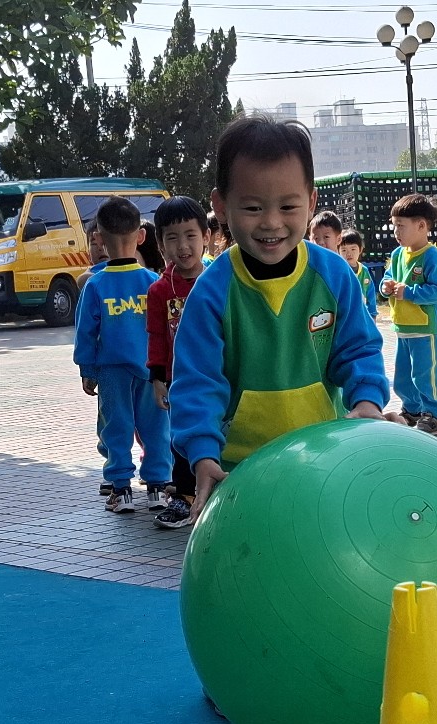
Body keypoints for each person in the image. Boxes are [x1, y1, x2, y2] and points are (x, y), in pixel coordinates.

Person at [169, 115, 395, 521]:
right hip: (239, 470)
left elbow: (358, 349)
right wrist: (202, 454)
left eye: (288, 206)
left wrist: (366, 402)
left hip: (324, 458)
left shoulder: (333, 275)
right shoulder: (212, 291)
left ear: (311, 201)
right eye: (253, 207)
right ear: (221, 206)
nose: (271, 222)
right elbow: (197, 381)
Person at [73, 196, 171, 512]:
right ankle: (158, 486)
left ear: (99, 238)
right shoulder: (153, 282)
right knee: (157, 427)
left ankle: (121, 490)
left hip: (111, 371)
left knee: (116, 427)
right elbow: (166, 329)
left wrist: (87, 369)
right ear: (141, 236)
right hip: (152, 370)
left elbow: (85, 332)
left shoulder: (95, 285)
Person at [145, 196, 212, 529]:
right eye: (172, 238)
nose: (183, 246)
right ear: (160, 245)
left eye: (190, 235)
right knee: (182, 437)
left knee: (218, 433)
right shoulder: (160, 292)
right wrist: (158, 378)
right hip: (179, 380)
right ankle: (184, 497)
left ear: (206, 236)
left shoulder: (218, 281)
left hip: (218, 376)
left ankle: (218, 491)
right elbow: (157, 336)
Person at [381, 192, 437, 436]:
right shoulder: (397, 255)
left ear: (421, 226)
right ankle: (411, 410)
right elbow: (388, 277)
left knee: (427, 374)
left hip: (425, 330)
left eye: (401, 226)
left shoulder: (432, 257)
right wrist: (386, 287)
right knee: (403, 376)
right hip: (403, 328)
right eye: (394, 226)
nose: (396, 232)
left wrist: (409, 292)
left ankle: (434, 416)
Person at [338, 228, 378, 321]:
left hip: (361, 315)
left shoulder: (364, 271)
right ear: (338, 251)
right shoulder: (339, 271)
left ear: (360, 250)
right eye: (344, 250)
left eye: (353, 249)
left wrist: (373, 314)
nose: (349, 253)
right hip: (344, 317)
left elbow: (370, 293)